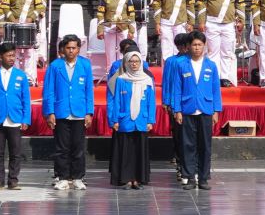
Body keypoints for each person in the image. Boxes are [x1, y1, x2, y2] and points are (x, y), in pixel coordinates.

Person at [164, 31, 224, 190]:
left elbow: (215, 89)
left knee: (205, 145)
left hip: (205, 109)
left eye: (200, 45)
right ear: (189, 46)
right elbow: (177, 88)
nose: (197, 48)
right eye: (194, 45)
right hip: (187, 109)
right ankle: (189, 177)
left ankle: (203, 177)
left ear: (204, 46)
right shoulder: (181, 65)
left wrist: (216, 110)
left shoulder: (211, 66)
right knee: (187, 145)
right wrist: (177, 109)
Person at [41, 33, 95, 192]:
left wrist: (89, 112)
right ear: (63, 49)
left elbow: (88, 90)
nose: (71, 51)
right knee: (61, 147)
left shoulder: (85, 65)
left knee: (78, 147)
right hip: (61, 111)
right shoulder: (55, 66)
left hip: (79, 111)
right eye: (68, 48)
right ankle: (62, 177)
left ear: (79, 49)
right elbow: (49, 90)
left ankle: (78, 177)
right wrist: (49, 111)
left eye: (74, 48)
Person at [0, 41, 33, 191]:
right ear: (0, 56)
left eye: (13, 55)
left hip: (15, 118)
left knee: (15, 152)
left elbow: (26, 99)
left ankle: (13, 180)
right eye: (8, 55)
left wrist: (26, 118)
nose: (11, 58)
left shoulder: (21, 76)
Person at [106, 49, 157, 189]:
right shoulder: (121, 79)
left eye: (137, 61)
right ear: (126, 63)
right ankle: (127, 179)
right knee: (126, 151)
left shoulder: (147, 80)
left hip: (141, 120)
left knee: (139, 151)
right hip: (125, 120)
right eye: (131, 61)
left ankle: (138, 179)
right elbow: (116, 101)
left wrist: (150, 120)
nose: (134, 64)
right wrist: (115, 120)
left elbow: (151, 102)